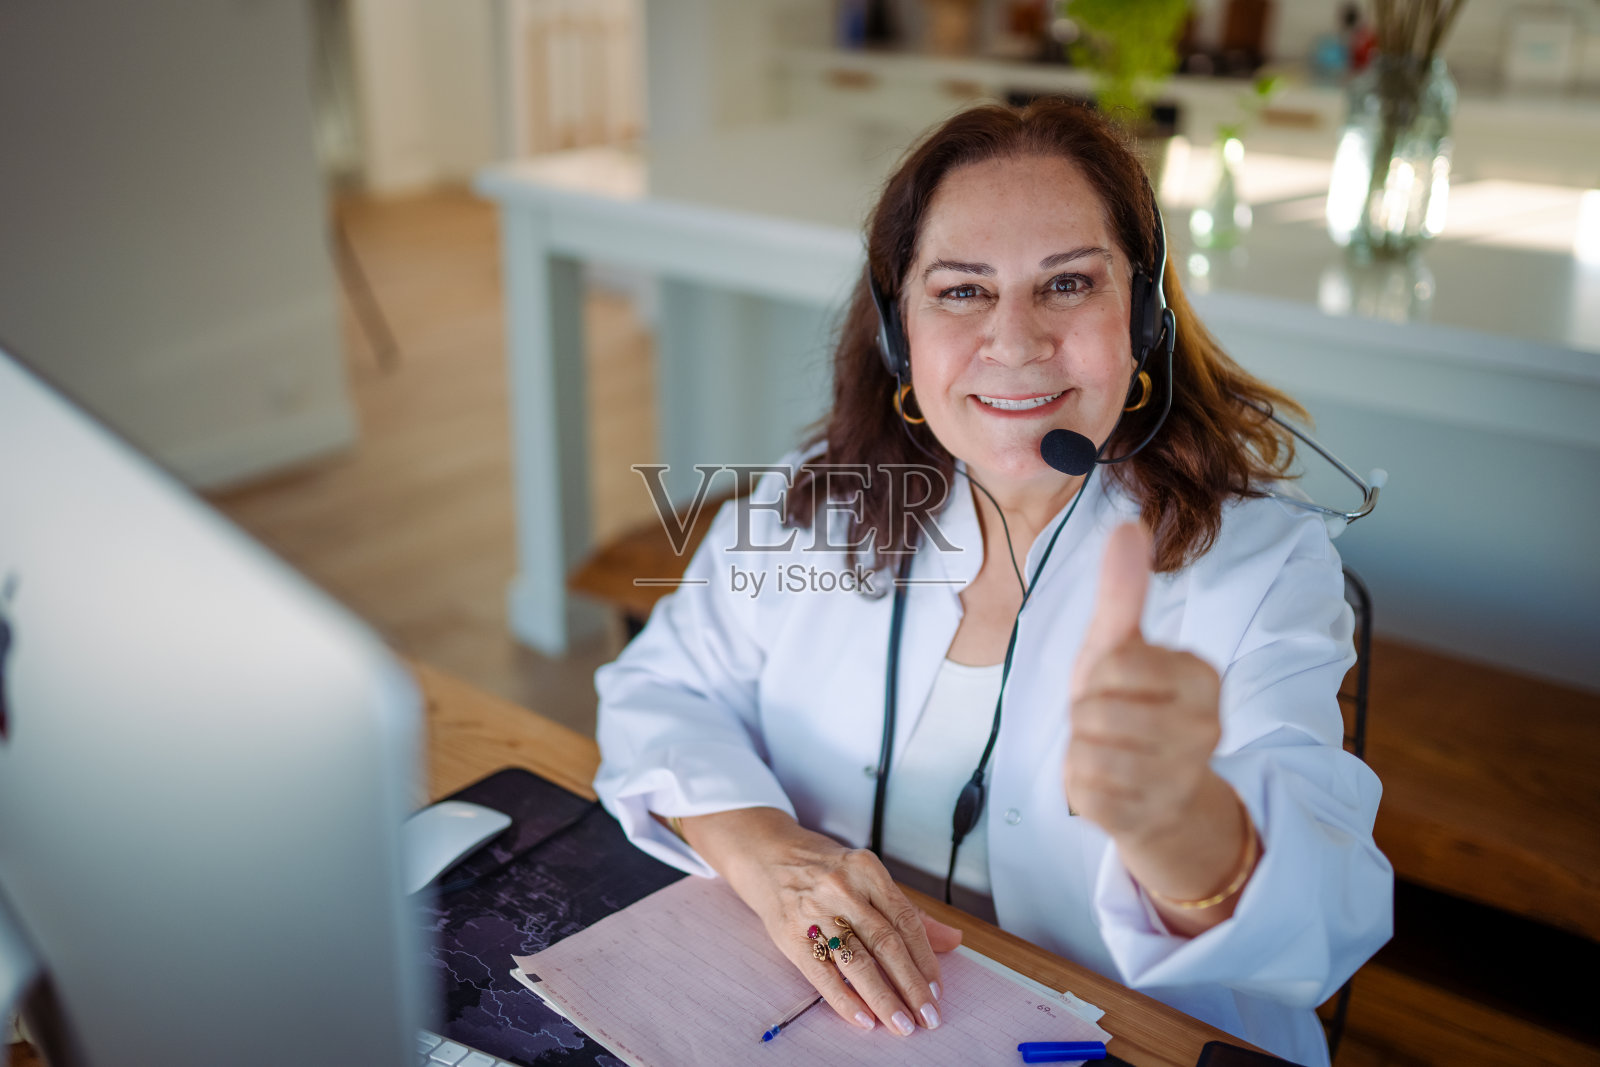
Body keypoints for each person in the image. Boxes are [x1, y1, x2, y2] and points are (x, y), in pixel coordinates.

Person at [593, 100, 1391, 1066]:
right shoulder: (815, 501)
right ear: (900, 334)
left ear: (1142, 317)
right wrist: (770, 853)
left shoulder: (1260, 563)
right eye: (963, 291)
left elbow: (1326, 927)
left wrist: (1189, 830)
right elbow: (658, 689)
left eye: (1068, 283)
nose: (1015, 342)